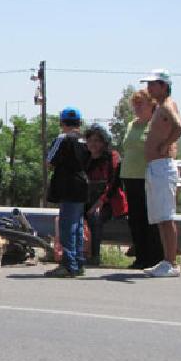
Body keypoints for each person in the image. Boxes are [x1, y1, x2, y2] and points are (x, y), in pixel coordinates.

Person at [140, 69, 181, 277]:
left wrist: (165, 144)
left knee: (166, 217)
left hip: (162, 166)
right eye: (148, 84)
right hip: (155, 167)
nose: (149, 88)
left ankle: (171, 262)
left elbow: (179, 126)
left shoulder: (167, 105)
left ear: (164, 86)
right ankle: (166, 261)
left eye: (154, 84)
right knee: (160, 217)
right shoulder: (159, 107)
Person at [120, 89, 164, 269]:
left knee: (150, 218)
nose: (137, 107)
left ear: (151, 105)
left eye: (141, 103)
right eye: (135, 103)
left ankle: (154, 258)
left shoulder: (156, 123)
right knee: (135, 218)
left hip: (148, 176)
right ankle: (141, 256)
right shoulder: (131, 125)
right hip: (129, 176)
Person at [44, 106, 90, 278]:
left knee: (67, 226)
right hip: (82, 184)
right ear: (78, 122)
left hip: (67, 185)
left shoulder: (63, 138)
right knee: (77, 225)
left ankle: (68, 264)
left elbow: (49, 161)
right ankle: (78, 262)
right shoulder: (84, 140)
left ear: (62, 122)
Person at [83, 124, 127, 266]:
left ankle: (95, 256)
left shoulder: (112, 157)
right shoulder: (85, 158)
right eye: (90, 140)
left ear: (104, 142)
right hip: (87, 199)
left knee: (94, 217)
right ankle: (77, 254)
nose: (93, 144)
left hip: (109, 202)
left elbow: (114, 183)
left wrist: (100, 203)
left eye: (97, 140)